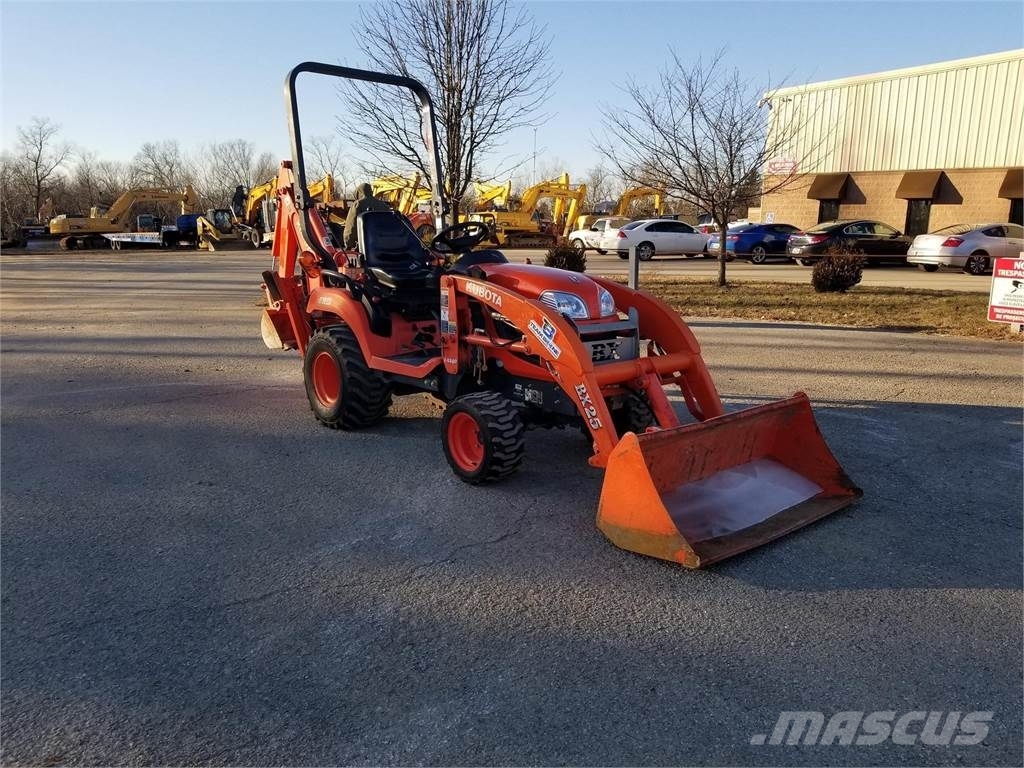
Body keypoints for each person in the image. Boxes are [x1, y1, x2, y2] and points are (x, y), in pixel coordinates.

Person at [343, 182, 392, 249]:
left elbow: (351, 225)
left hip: (365, 245)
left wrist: (348, 244)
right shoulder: (383, 205)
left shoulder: (358, 204)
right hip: (383, 244)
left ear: (358, 193)